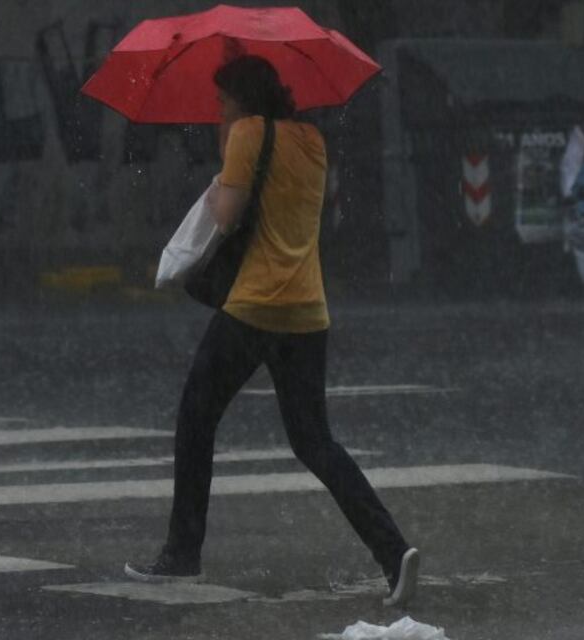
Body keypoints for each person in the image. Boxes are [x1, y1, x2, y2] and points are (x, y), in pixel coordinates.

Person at [124, 55, 419, 607]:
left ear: (240, 100)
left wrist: (219, 178)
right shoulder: (312, 141)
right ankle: (393, 552)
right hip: (308, 312)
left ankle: (182, 554)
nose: (217, 110)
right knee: (315, 442)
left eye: (220, 102)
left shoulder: (245, 134)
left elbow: (229, 214)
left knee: (196, 415)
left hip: (255, 306)